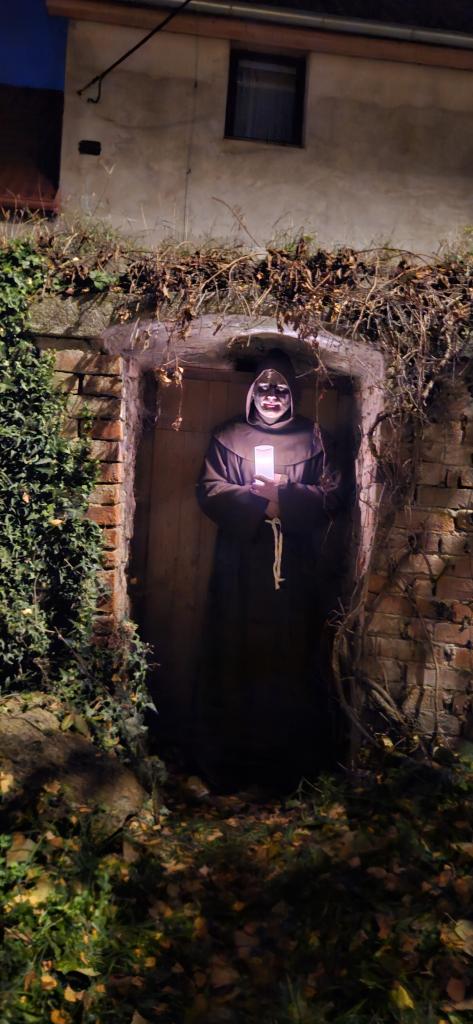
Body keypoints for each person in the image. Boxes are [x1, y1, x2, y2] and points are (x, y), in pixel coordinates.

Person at [193, 349, 345, 791]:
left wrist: (287, 495)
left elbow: (336, 492)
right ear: (251, 393)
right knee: (235, 649)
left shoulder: (315, 438)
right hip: (241, 562)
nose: (271, 396)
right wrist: (260, 503)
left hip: (295, 562)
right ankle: (232, 765)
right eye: (263, 387)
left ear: (292, 394)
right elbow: (209, 490)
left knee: (292, 651)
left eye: (280, 388)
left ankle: (288, 770)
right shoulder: (228, 436)